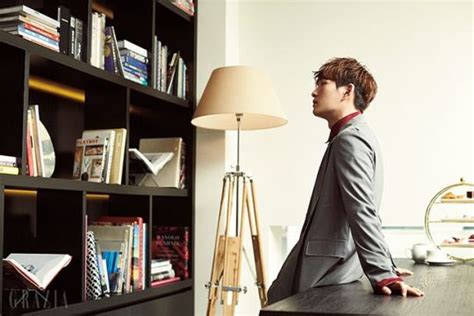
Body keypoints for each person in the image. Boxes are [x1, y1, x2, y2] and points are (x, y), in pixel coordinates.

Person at [266, 57, 424, 304]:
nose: (314, 91)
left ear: (347, 91)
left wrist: (384, 274)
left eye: (323, 83)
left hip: (326, 272)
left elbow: (362, 209)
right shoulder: (354, 135)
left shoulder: (350, 139)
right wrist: (386, 267)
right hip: (331, 268)